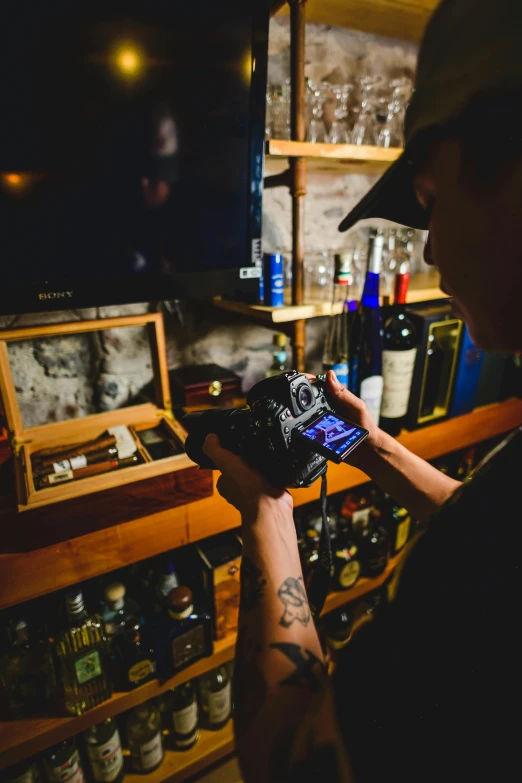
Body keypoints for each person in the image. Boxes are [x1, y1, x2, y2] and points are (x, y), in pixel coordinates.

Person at [202, 1, 522, 781]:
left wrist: (267, 512)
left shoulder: (467, 585)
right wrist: (370, 447)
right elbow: (493, 533)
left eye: (430, 198)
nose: (433, 243)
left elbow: (289, 758)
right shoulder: (492, 540)